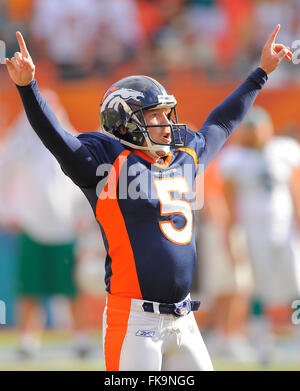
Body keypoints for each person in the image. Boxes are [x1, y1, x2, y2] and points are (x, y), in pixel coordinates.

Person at [5, 26, 291, 371]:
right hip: (135, 322)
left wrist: (260, 74)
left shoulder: (183, 157)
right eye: (154, 115)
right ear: (124, 123)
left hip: (184, 319)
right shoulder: (107, 164)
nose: (166, 123)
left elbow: (222, 123)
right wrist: (28, 87)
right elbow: (57, 139)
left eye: (165, 113)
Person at [0, 91, 95, 359]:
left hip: (65, 228)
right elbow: (2, 174)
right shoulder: (20, 144)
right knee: (30, 287)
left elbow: (86, 182)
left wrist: (84, 217)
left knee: (71, 288)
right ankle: (28, 339)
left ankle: (79, 338)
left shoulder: (72, 140)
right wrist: (9, 212)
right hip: (32, 226)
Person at [218, 106, 300, 362]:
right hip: (253, 233)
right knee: (257, 289)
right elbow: (229, 201)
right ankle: (263, 342)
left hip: (285, 230)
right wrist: (231, 235)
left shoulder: (284, 150)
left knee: (297, 283)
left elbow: (295, 189)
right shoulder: (235, 159)